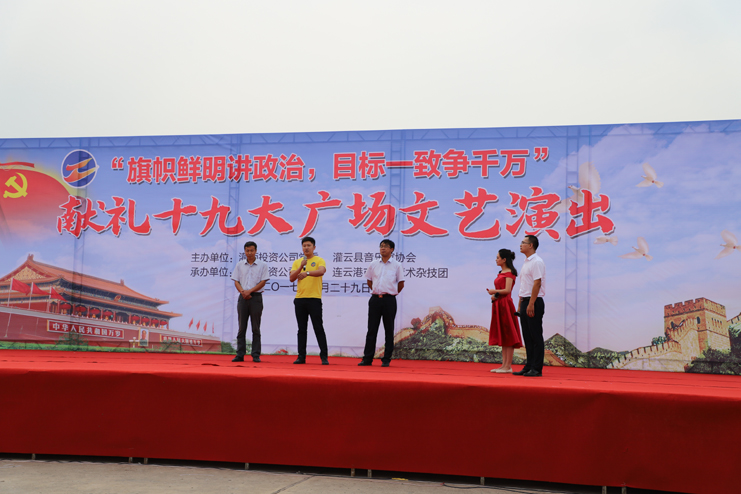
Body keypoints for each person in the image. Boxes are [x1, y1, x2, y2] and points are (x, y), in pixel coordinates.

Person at [359, 239, 405, 367]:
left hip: (389, 300)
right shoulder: (374, 264)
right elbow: (369, 280)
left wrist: (391, 292)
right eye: (381, 246)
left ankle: (386, 359)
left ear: (392, 249)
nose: (383, 248)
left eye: (386, 246)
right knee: (371, 330)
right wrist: (377, 291)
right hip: (375, 300)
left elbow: (401, 283)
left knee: (389, 330)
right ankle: (367, 359)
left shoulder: (397, 265)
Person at [289, 236, 329, 365]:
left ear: (314, 247)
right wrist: (301, 267)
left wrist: (307, 273)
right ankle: (301, 356)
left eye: (309, 245)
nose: (306, 248)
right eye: (304, 246)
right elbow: (291, 278)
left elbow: (321, 271)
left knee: (318, 328)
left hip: (314, 299)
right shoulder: (298, 262)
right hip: (300, 299)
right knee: (301, 329)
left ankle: (324, 356)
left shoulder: (319, 260)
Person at [231, 241, 270, 363]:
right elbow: (236, 281)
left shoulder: (262, 265)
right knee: (241, 328)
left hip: (256, 298)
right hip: (243, 297)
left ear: (256, 251)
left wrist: (250, 291)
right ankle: (240, 354)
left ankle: (256, 355)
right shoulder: (240, 265)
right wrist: (243, 292)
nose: (249, 253)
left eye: (252, 250)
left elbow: (263, 282)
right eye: (247, 250)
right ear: (245, 251)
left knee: (255, 328)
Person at [513, 235, 546, 377]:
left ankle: (537, 368)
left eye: (523, 242)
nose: (521, 245)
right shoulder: (526, 262)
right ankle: (529, 366)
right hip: (526, 301)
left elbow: (537, 283)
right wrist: (520, 305)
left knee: (535, 336)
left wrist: (531, 303)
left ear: (531, 245)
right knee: (527, 336)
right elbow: (524, 286)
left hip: (534, 301)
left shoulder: (537, 261)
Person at [487, 248, 522, 373]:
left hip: (506, 305)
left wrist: (494, 291)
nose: (496, 260)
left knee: (508, 334)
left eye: (498, 257)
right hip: (499, 304)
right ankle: (504, 365)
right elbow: (501, 291)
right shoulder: (501, 273)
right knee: (503, 334)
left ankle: (508, 366)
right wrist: (495, 296)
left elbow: (507, 290)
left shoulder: (509, 273)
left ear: (504, 259)